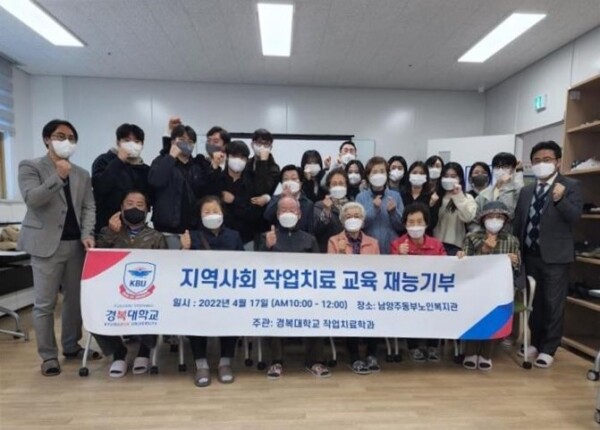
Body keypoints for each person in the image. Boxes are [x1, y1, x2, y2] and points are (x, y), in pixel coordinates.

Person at [17, 119, 100, 376]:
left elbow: (89, 207)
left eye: (71, 138)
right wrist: (58, 176)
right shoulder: (30, 166)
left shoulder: (82, 174)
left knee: (74, 301)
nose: (67, 142)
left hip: (76, 246)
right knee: (45, 304)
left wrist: (87, 233)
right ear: (47, 139)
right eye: (60, 136)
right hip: (45, 245)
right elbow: (33, 199)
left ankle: (72, 346)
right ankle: (48, 356)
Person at [513, 140, 583, 368]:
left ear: (558, 162)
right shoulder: (527, 190)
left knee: (553, 303)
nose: (541, 164)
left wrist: (560, 199)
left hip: (556, 257)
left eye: (547, 159)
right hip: (529, 254)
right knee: (534, 302)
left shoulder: (570, 186)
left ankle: (549, 348)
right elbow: (519, 222)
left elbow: (575, 217)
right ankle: (535, 342)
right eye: (536, 160)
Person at [94, 191, 167, 378]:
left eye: (140, 205)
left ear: (148, 210)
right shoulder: (108, 232)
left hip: (146, 291)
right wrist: (111, 233)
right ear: (121, 208)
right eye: (129, 203)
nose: (134, 208)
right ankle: (118, 352)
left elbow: (165, 267)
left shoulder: (156, 237)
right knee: (91, 310)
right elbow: (95, 257)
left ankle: (144, 350)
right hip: (112, 290)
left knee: (154, 306)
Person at [258, 197, 329, 379]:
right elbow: (256, 268)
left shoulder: (309, 239)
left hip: (305, 293)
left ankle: (314, 361)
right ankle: (276, 361)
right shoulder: (267, 237)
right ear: (277, 214)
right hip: (275, 294)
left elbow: (318, 269)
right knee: (272, 313)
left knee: (317, 313)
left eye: (292, 210)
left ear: (299, 214)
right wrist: (267, 247)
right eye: (283, 210)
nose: (288, 213)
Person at [180, 196, 244, 387]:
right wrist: (184, 249)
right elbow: (180, 267)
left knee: (230, 321)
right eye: (206, 212)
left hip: (228, 291)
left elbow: (244, 263)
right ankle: (201, 364)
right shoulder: (192, 236)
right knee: (197, 323)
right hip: (199, 292)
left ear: (222, 213)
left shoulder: (234, 236)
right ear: (200, 216)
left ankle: (225, 363)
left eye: (215, 211)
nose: (211, 215)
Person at [458, 201, 521, 371]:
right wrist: (484, 249)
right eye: (491, 217)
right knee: (473, 316)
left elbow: (517, 268)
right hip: (475, 287)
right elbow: (465, 264)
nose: (495, 220)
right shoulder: (472, 237)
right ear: (483, 219)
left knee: (493, 316)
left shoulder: (511, 240)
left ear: (505, 220)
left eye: (499, 217)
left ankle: (486, 354)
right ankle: (470, 352)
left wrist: (513, 261)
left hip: (499, 289)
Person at [327, 202, 381, 374]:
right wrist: (341, 253)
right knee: (350, 314)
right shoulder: (334, 241)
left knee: (375, 311)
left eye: (357, 216)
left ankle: (371, 354)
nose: (353, 219)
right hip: (344, 292)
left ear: (363, 221)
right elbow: (330, 270)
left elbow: (379, 269)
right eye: (349, 216)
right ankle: (355, 357)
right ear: (342, 220)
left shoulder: (373, 243)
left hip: (367, 291)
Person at [390, 202, 446, 362]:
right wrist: (399, 256)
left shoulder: (436, 244)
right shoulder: (397, 244)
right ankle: (412, 347)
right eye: (411, 222)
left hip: (431, 291)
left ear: (426, 224)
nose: (415, 226)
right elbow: (389, 271)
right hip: (407, 292)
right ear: (405, 224)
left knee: (436, 309)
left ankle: (433, 346)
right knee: (409, 310)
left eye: (419, 222)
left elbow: (446, 267)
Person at [148, 123, 207, 249]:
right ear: (172, 141)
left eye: (190, 141)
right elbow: (155, 181)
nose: (186, 143)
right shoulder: (161, 161)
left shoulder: (197, 166)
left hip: (192, 229)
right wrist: (171, 157)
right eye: (182, 139)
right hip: (167, 229)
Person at [91, 123, 151, 235]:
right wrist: (119, 160)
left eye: (137, 141)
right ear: (118, 142)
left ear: (142, 145)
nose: (132, 145)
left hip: (136, 228)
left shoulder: (145, 169)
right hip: (105, 226)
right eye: (127, 141)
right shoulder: (104, 160)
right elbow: (100, 187)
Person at [205, 140, 264, 245]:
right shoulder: (218, 178)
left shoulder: (253, 182)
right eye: (234, 156)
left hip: (245, 238)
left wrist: (234, 200)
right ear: (227, 156)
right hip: (218, 236)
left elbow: (255, 213)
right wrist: (214, 167)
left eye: (242, 157)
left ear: (247, 160)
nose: (238, 160)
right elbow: (208, 197)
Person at [356, 156, 404, 255]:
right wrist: (373, 210)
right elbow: (358, 225)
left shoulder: (396, 196)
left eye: (382, 171)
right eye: (374, 172)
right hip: (368, 249)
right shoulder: (361, 197)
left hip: (392, 248)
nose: (379, 175)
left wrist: (393, 212)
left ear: (387, 175)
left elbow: (402, 226)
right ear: (368, 176)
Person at [244, 128, 281, 245]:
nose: (262, 147)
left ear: (271, 147)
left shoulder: (274, 168)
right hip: (245, 217)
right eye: (259, 143)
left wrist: (263, 162)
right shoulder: (246, 164)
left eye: (266, 144)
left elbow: (262, 189)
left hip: (264, 219)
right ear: (252, 144)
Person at [432, 162, 477, 256]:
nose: (449, 179)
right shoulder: (435, 196)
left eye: (453, 176)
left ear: (460, 178)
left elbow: (468, 217)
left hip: (456, 247)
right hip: (435, 245)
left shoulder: (467, 197)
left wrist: (458, 196)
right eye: (446, 176)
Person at [475, 152, 524, 226]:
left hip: (510, 232)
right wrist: (480, 232)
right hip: (486, 233)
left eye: (505, 167)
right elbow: (475, 219)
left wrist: (506, 186)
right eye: (497, 167)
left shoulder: (520, 191)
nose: (501, 170)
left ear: (513, 169)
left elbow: (509, 214)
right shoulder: (484, 193)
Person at [264, 165, 314, 233]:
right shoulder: (275, 199)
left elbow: (310, 229)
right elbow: (267, 216)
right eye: (286, 179)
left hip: (301, 238)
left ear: (300, 183)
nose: (289, 182)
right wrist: (282, 197)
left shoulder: (308, 204)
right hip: (280, 237)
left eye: (293, 179)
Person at [313, 168, 349, 252]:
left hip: (348, 250)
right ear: (329, 187)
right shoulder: (319, 205)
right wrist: (326, 211)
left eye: (341, 183)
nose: (338, 187)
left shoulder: (352, 206)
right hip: (327, 250)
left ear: (346, 186)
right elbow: (317, 229)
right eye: (334, 184)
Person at [400, 161, 440, 236]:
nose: (418, 175)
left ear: (426, 177)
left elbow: (432, 224)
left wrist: (432, 206)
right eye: (414, 173)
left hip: (424, 237)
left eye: (421, 173)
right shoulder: (401, 195)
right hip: (404, 236)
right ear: (409, 175)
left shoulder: (432, 196)